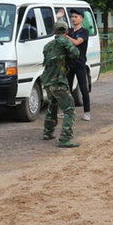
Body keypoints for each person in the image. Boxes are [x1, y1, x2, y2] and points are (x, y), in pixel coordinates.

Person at [42, 20, 81, 148]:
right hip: (58, 81)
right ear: (66, 31)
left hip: (47, 81)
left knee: (52, 105)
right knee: (69, 110)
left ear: (54, 31)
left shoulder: (48, 45)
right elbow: (76, 53)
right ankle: (65, 138)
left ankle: (48, 132)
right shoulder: (63, 41)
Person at [65, 8, 91, 121]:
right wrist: (58, 18)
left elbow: (76, 42)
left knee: (83, 89)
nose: (73, 19)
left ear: (81, 19)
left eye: (76, 17)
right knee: (68, 89)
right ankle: (68, 111)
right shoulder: (69, 31)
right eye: (72, 17)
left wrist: (66, 37)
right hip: (69, 64)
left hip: (80, 64)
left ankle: (87, 112)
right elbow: (57, 32)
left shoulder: (84, 32)